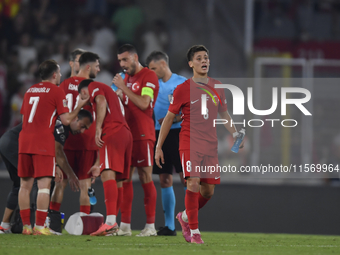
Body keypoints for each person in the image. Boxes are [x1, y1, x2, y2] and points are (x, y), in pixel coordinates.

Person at [155, 45, 245, 244]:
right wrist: (159, 146)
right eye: (199, 58)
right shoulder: (183, 89)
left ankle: (185, 216)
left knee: (207, 191)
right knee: (192, 183)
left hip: (210, 145)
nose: (204, 61)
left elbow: (224, 115)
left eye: (206, 57)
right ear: (191, 64)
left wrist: (235, 133)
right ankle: (195, 232)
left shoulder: (217, 86)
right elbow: (169, 118)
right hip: (189, 142)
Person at [18, 59, 88, 235]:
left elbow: (24, 117)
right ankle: (40, 227)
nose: (61, 76)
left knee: (24, 186)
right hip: (42, 142)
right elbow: (65, 120)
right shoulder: (57, 91)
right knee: (43, 186)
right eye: (60, 73)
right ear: (55, 74)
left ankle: (26, 226)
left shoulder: (29, 90)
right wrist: (79, 104)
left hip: (25, 140)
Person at [0, 109, 92, 234]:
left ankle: (5, 225)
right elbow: (58, 151)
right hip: (17, 145)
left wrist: (57, 165)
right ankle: (40, 224)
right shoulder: (61, 125)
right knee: (41, 181)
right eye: (82, 126)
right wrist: (70, 174)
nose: (82, 131)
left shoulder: (56, 119)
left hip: (6, 141)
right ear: (75, 119)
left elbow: (52, 148)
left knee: (19, 185)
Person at [78, 53, 133, 237]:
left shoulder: (93, 87)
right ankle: (119, 225)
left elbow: (100, 101)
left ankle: (109, 223)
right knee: (118, 180)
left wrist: (98, 128)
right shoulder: (107, 91)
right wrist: (97, 163)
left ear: (85, 90)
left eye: (82, 96)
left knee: (108, 175)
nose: (83, 99)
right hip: (125, 134)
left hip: (113, 132)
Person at [112, 44, 159, 236]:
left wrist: (123, 88)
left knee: (145, 177)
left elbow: (144, 104)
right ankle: (125, 226)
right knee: (124, 178)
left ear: (135, 57)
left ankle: (150, 226)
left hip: (142, 134)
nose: (123, 64)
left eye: (125, 60)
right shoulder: (127, 78)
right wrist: (117, 95)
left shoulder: (149, 76)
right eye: (120, 61)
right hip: (126, 134)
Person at [49, 48, 98, 216]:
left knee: (60, 183)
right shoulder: (92, 86)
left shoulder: (63, 85)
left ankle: (53, 222)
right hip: (87, 140)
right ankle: (84, 222)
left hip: (66, 140)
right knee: (86, 185)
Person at [146, 51, 186, 236]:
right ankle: (170, 226)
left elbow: (192, 109)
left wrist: (174, 118)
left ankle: (190, 221)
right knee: (164, 177)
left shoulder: (181, 82)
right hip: (157, 134)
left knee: (185, 177)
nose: (151, 72)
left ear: (163, 64)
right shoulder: (150, 84)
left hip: (178, 133)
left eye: (153, 68)